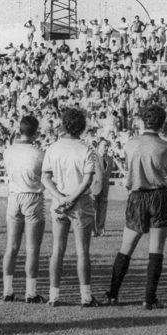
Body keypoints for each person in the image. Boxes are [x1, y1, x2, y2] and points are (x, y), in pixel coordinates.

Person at [105, 104, 167, 309]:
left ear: (142, 121)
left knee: (126, 247)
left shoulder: (130, 143)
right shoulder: (166, 147)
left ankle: (113, 294)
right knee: (156, 250)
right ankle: (149, 298)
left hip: (137, 196)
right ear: (162, 123)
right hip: (158, 195)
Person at [42, 108, 99, 307]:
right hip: (80, 201)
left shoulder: (53, 148)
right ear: (81, 127)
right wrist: (72, 198)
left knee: (57, 249)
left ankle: (54, 295)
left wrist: (60, 198)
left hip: (59, 202)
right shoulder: (86, 149)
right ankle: (86, 296)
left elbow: (46, 177)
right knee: (82, 251)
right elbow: (88, 179)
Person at [2, 115, 46, 303]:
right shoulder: (39, 153)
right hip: (32, 196)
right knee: (32, 248)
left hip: (14, 196)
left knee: (11, 247)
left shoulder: (8, 151)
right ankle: (30, 292)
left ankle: (7, 290)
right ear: (35, 132)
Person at [90, 138, 116, 238]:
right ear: (98, 146)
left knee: (102, 210)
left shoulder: (110, 159)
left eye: (107, 145)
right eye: (104, 145)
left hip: (104, 188)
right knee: (92, 210)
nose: (106, 147)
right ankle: (92, 231)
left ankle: (100, 231)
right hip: (93, 188)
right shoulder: (92, 157)